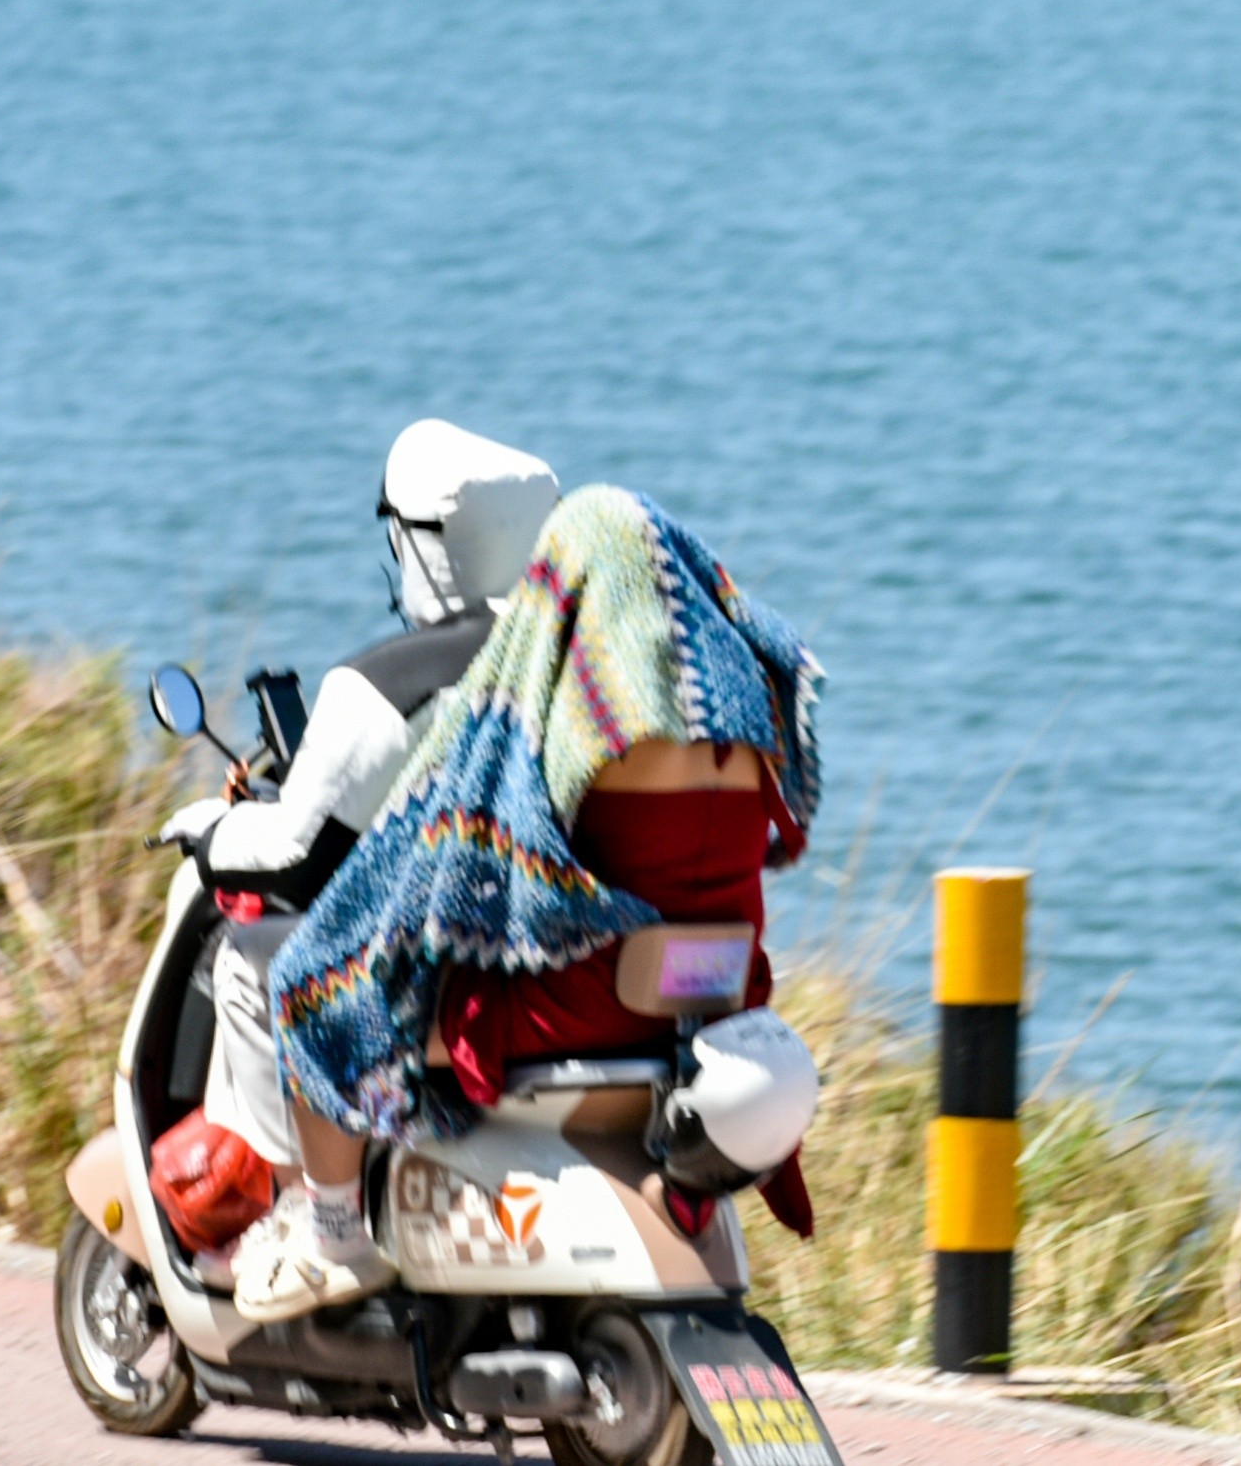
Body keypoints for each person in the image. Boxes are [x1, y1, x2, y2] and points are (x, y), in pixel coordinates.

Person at [241, 483, 823, 1324]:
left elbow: (493, 835)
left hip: (588, 1005)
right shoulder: (745, 724)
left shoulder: (599, 714)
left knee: (314, 985)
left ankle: (332, 1236)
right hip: (714, 1000)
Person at [152, 421, 561, 1275]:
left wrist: (208, 830)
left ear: (425, 543)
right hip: (542, 968)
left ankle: (302, 1214)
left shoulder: (386, 680)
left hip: (428, 977)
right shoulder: (565, 667)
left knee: (247, 958)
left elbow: (294, 856)